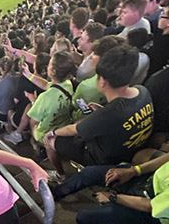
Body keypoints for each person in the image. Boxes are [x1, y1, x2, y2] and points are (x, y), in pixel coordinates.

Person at [45, 45, 154, 182]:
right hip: (129, 149)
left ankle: (60, 175)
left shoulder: (108, 114)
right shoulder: (142, 91)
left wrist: (52, 133)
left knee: (49, 141)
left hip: (102, 159)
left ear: (102, 81)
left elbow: (72, 130)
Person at [64, 152, 169, 224]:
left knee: (85, 216)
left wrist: (113, 197)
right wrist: (133, 171)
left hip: (150, 207)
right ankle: (55, 193)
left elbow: (151, 206)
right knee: (89, 173)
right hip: (150, 178)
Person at [25, 52, 76, 146]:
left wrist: (33, 101)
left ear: (53, 72)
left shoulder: (45, 97)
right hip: (62, 126)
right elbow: (46, 85)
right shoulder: (68, 83)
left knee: (31, 123)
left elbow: (33, 121)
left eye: (49, 64)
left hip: (45, 133)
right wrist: (29, 75)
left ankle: (37, 143)